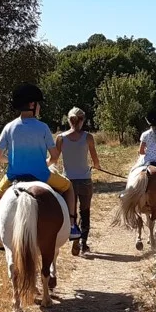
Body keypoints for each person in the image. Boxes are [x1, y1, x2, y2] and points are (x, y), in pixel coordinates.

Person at [0, 83, 81, 248]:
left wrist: (10, 161)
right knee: (68, 187)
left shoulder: (9, 127)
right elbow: (54, 156)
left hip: (14, 176)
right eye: (38, 104)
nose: (40, 107)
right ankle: (71, 226)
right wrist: (46, 163)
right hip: (41, 175)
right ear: (32, 105)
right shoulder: (43, 128)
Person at [56, 107, 100, 253]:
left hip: (68, 182)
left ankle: (74, 238)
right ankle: (83, 242)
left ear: (69, 120)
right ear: (82, 120)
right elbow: (95, 161)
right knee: (85, 211)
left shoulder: (61, 138)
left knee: (71, 212)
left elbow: (54, 159)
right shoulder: (88, 137)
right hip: (85, 180)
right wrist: (96, 166)